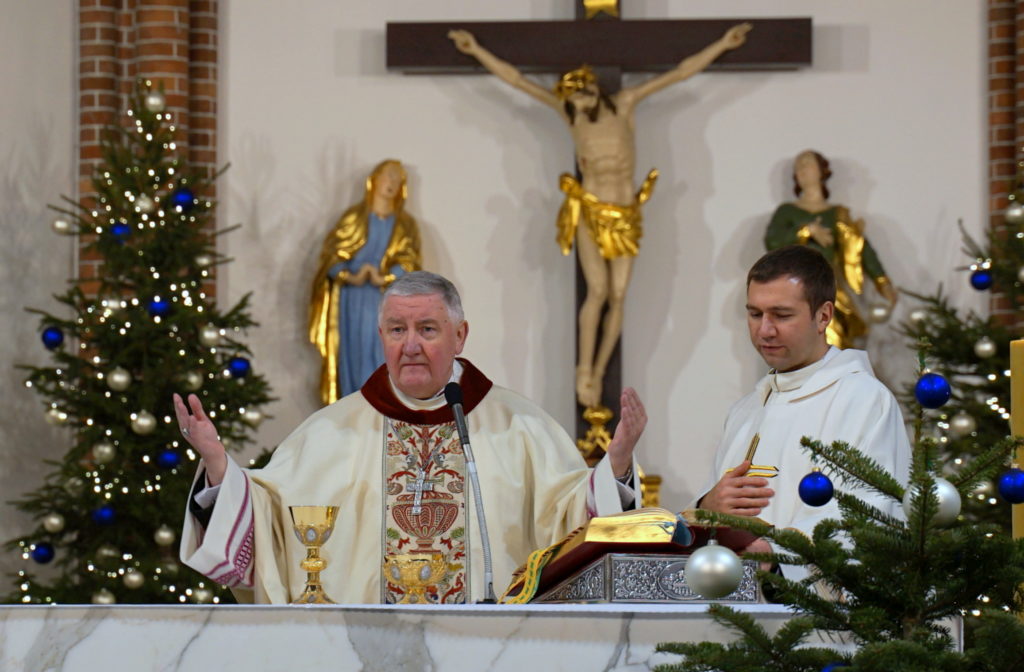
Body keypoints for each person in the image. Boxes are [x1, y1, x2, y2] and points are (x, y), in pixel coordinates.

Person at [177, 271, 646, 604]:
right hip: (363, 660)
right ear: (381, 335)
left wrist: (617, 463)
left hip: (491, 655)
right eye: (398, 330)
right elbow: (272, 520)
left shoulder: (521, 426)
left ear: (459, 336)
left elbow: (572, 521)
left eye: (427, 329)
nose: (411, 345)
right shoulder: (329, 431)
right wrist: (220, 465)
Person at [449, 24, 751, 410]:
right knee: (597, 292)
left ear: (591, 86)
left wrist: (722, 44)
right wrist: (475, 50)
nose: (576, 100)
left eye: (580, 92)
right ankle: (585, 369)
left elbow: (678, 73)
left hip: (625, 213)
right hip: (591, 210)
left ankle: (601, 361)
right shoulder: (570, 115)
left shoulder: (625, 105)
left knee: (619, 294)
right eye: (570, 96)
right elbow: (517, 81)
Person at [694, 245, 910, 580]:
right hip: (735, 609)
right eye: (755, 314)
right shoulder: (746, 411)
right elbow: (714, 514)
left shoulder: (863, 400)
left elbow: (866, 513)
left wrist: (777, 553)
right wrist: (706, 505)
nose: (765, 330)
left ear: (823, 316)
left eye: (781, 315)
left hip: (822, 619)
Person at [309, 159, 421, 405]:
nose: (391, 183)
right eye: (386, 176)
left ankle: (385, 407)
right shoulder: (352, 219)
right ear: (373, 181)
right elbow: (331, 258)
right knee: (354, 357)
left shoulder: (405, 225)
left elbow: (411, 262)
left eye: (397, 179)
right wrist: (351, 275)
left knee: (385, 354)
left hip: (388, 300)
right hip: (352, 301)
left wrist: (387, 276)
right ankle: (352, 407)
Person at [764, 150, 898, 349]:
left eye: (807, 164)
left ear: (822, 171)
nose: (802, 169)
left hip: (829, 289)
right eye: (798, 167)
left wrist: (883, 282)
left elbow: (861, 249)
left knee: (833, 340)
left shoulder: (838, 215)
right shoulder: (787, 212)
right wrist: (806, 230)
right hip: (794, 289)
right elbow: (773, 243)